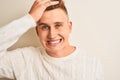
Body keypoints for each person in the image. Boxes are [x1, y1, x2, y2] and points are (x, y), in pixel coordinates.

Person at [0, 0, 103, 80]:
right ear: (37, 31)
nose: (52, 35)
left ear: (69, 27)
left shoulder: (91, 64)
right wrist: (29, 19)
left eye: (58, 25)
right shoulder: (24, 59)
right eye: (44, 27)